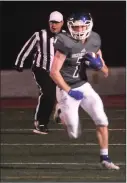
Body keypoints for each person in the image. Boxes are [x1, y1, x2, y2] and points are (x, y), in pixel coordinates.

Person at [50, 12, 120, 170]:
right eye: (76, 27)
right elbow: (54, 72)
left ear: (89, 25)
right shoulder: (65, 42)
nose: (80, 29)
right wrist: (69, 91)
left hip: (83, 84)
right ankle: (60, 110)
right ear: (70, 27)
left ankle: (105, 158)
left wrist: (98, 65)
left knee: (102, 119)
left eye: (82, 26)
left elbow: (106, 71)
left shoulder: (94, 40)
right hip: (65, 87)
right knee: (74, 133)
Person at [15, 11, 64, 135]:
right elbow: (26, 48)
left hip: (57, 72)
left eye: (56, 23)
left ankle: (59, 111)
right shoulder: (39, 35)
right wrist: (19, 62)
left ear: (62, 23)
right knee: (47, 94)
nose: (54, 25)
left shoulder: (66, 36)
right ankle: (40, 122)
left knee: (57, 95)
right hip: (40, 69)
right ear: (48, 22)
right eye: (52, 22)